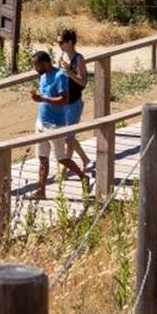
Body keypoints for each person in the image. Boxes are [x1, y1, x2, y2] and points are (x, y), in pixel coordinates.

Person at [29, 51, 84, 200]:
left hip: (55, 124)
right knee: (42, 158)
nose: (35, 68)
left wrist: (43, 99)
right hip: (41, 121)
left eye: (37, 65)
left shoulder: (59, 76)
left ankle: (82, 177)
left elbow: (64, 100)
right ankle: (41, 191)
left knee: (61, 158)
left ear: (45, 63)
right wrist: (38, 98)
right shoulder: (42, 77)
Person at [56, 28, 92, 173]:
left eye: (61, 42)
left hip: (74, 102)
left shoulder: (79, 59)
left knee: (68, 137)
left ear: (70, 42)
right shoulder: (62, 56)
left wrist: (70, 72)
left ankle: (65, 169)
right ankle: (84, 159)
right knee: (66, 136)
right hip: (63, 101)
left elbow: (83, 82)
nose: (59, 44)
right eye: (58, 42)